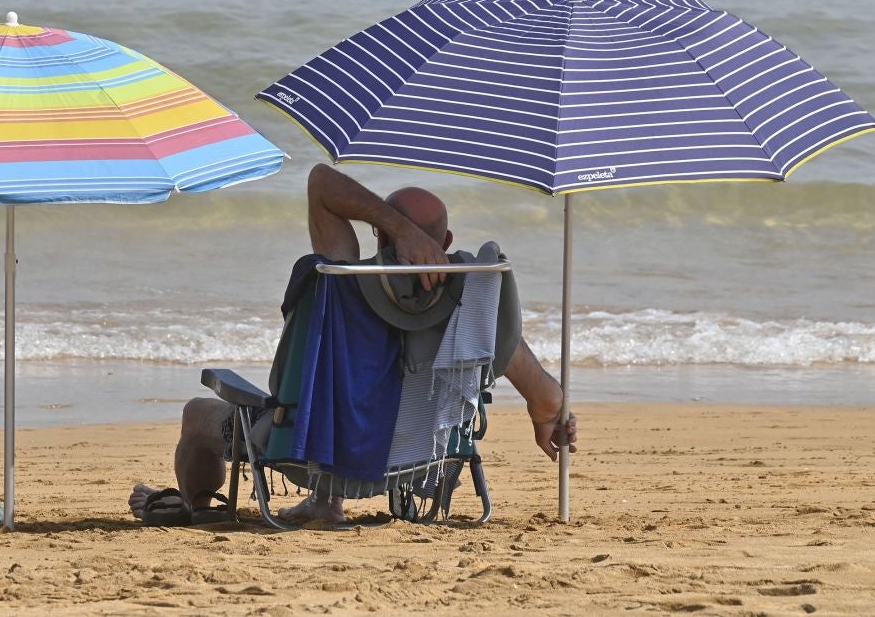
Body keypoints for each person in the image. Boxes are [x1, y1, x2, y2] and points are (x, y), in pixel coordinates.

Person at [130, 164, 578, 524]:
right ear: (446, 241)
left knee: (197, 413)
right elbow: (546, 398)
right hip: (425, 459)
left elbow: (321, 182)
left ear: (378, 235)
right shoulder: (473, 312)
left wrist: (398, 228)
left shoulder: (339, 283)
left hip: (306, 454)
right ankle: (325, 503)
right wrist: (548, 414)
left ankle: (199, 508)